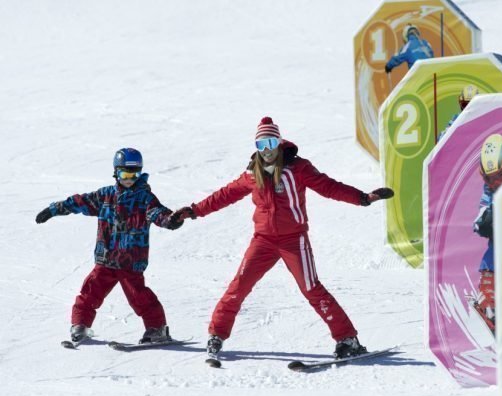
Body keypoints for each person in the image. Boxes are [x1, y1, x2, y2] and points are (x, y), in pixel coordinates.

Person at [174, 117, 394, 359]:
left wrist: (362, 197)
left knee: (311, 289)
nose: (267, 150)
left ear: (278, 142)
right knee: (239, 286)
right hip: (263, 241)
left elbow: (328, 186)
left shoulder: (298, 168)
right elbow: (224, 195)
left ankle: (347, 340)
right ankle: (216, 335)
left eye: (270, 142)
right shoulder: (251, 174)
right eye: (261, 145)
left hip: (294, 240)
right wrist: (194, 211)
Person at [35, 148, 184, 344]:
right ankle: (80, 325)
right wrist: (54, 209)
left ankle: (157, 330)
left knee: (140, 298)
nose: (129, 179)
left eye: (134, 174)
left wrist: (172, 220)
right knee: (89, 293)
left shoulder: (145, 198)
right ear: (116, 172)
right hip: (106, 258)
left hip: (131, 261)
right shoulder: (105, 196)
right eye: (125, 174)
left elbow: (158, 213)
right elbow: (80, 201)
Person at [471, 134, 502, 333]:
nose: (494, 182)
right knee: (493, 254)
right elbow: (483, 209)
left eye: (500, 175)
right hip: (501, 243)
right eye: (489, 178)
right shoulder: (489, 192)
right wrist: (485, 219)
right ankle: (488, 302)